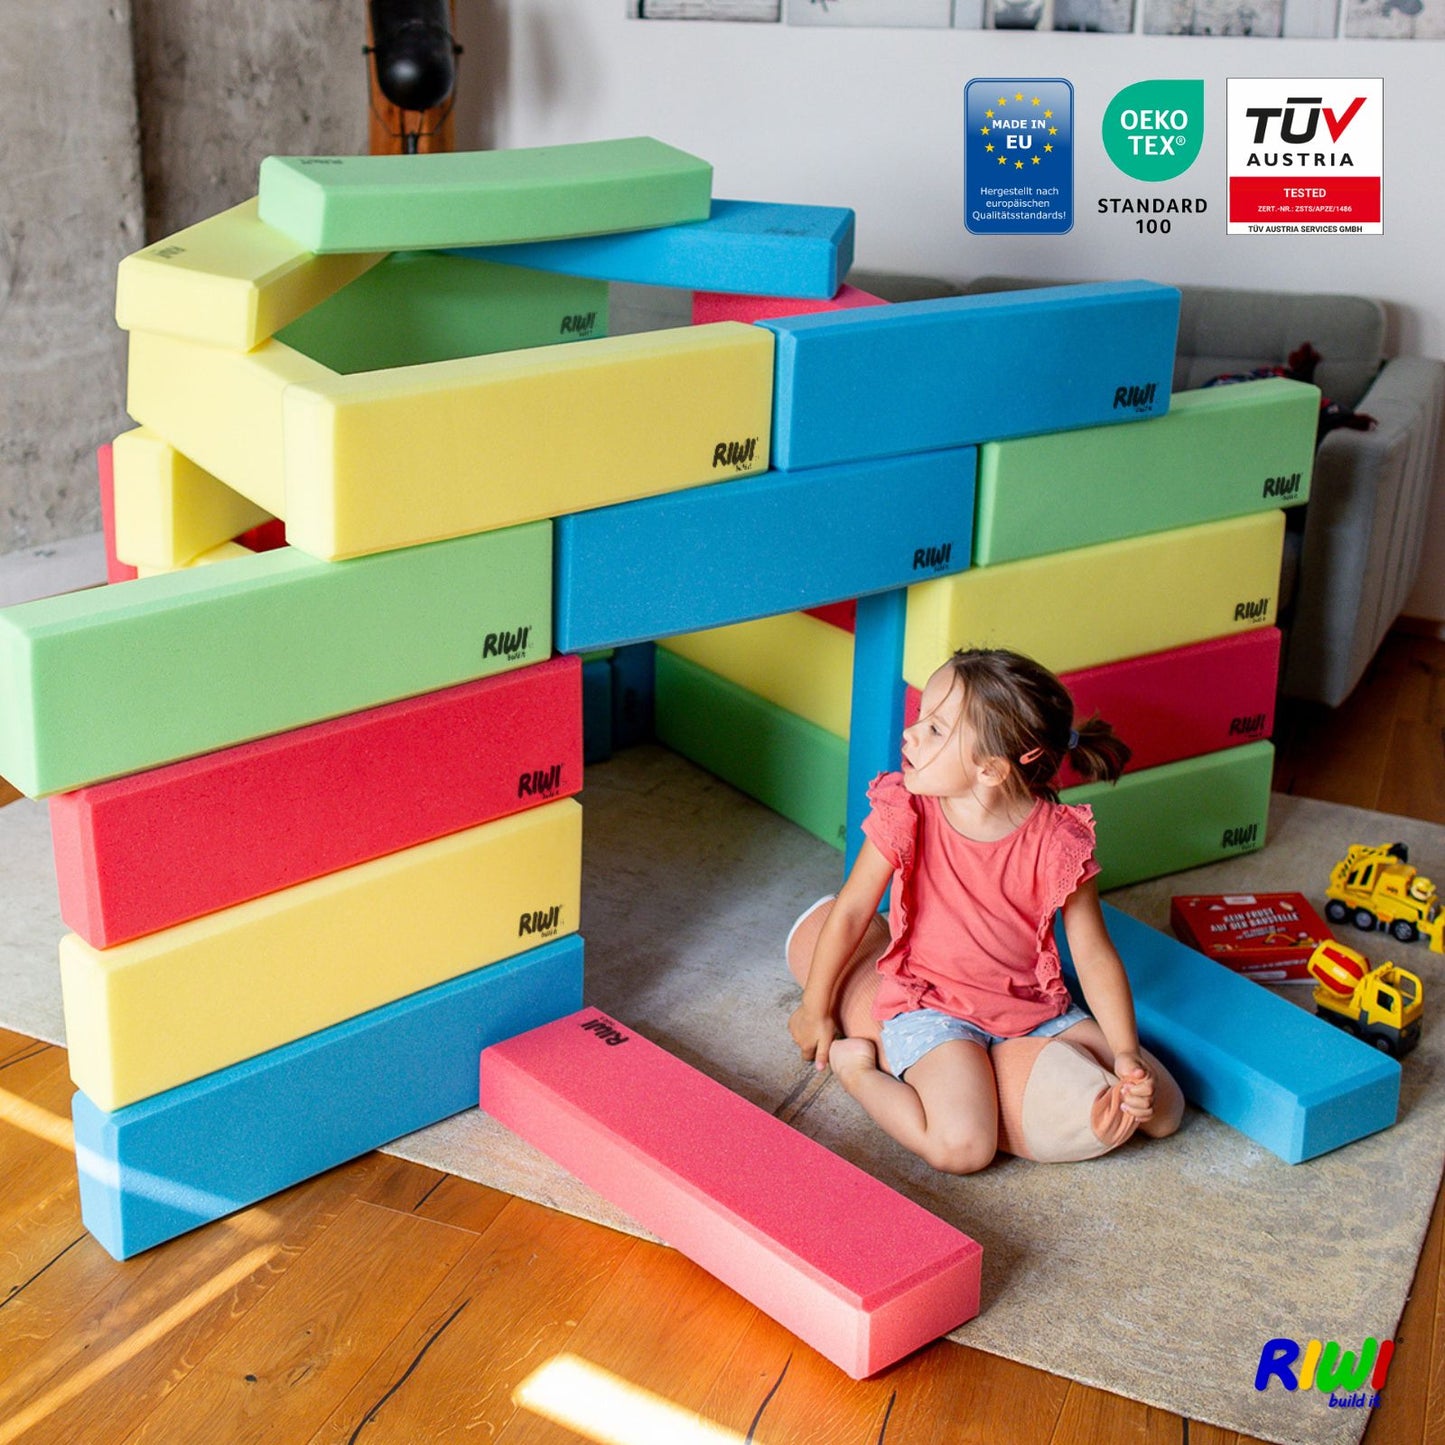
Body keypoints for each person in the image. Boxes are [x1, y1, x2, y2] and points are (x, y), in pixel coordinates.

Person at [787, 646, 1183, 1173]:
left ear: (993, 770)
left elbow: (1092, 954)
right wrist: (815, 1007)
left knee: (1165, 1111)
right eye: (921, 717)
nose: (910, 734)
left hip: (1034, 1008)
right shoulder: (908, 810)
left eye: (935, 730)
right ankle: (857, 1074)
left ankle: (1018, 1067)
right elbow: (853, 911)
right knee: (962, 1149)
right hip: (935, 1008)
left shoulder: (1058, 840)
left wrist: (1126, 1053)